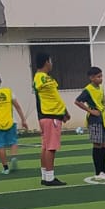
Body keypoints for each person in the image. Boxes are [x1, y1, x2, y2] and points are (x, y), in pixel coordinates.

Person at [32, 52, 69, 187]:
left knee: (45, 146)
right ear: (47, 62)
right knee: (51, 147)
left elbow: (54, 96)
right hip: (50, 115)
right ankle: (49, 177)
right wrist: (63, 111)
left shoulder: (42, 77)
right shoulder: (43, 77)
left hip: (47, 115)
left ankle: (45, 176)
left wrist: (64, 111)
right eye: (50, 61)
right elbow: (54, 97)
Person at [75, 66, 105, 182]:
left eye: (101, 76)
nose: (100, 79)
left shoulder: (100, 88)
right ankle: (98, 172)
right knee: (97, 144)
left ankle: (103, 170)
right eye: (98, 77)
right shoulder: (88, 90)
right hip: (94, 120)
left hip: (102, 119)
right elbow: (77, 101)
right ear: (91, 78)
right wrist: (90, 111)